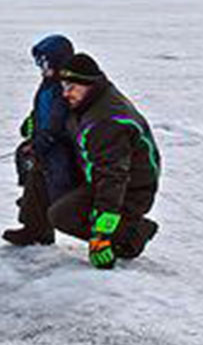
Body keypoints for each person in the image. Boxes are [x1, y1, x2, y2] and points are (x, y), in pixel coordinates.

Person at [47, 52, 161, 269]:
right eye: (64, 87)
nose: (65, 93)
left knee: (62, 215)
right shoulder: (89, 101)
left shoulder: (107, 121)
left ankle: (131, 235)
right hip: (98, 173)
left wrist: (102, 233)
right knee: (46, 168)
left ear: (88, 85)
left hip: (131, 189)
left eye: (72, 87)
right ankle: (35, 231)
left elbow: (113, 178)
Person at [3, 34, 79, 246]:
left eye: (44, 62)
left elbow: (57, 119)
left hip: (57, 148)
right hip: (42, 142)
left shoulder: (63, 87)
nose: (41, 67)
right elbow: (40, 110)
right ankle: (33, 227)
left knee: (47, 187)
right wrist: (30, 123)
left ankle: (41, 228)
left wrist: (43, 140)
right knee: (33, 181)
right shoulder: (47, 84)